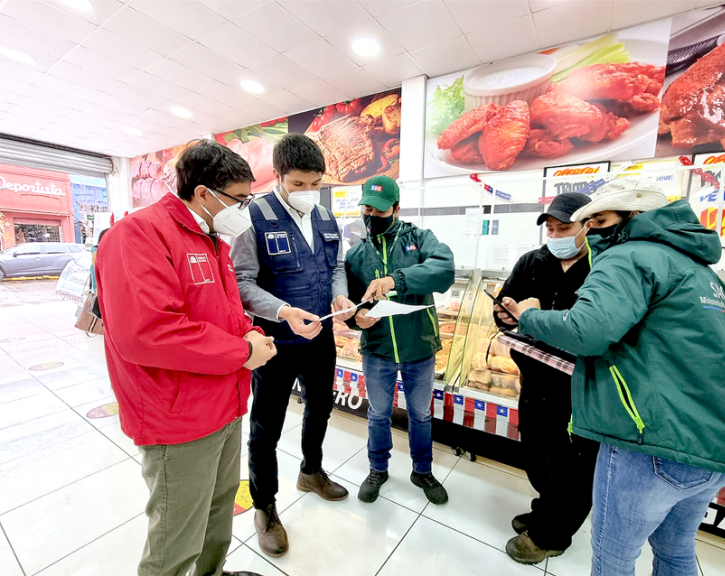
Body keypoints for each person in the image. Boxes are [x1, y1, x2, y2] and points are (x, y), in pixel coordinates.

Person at [503, 177, 725, 576]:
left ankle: (551, 532)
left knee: (613, 560)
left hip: (652, 439)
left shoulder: (629, 256)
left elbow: (586, 331)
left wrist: (528, 317)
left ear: (637, 217)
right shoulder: (698, 266)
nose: (592, 230)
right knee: (676, 551)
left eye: (600, 220)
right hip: (718, 443)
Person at [95, 139, 277, 576]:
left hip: (226, 403)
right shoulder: (139, 235)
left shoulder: (214, 240)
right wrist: (241, 352)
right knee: (176, 532)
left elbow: (226, 313)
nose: (245, 208)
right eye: (239, 199)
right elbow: (149, 331)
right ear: (203, 194)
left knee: (217, 511)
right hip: (177, 416)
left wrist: (251, 333)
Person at [230, 134, 355, 558]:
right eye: (298, 184)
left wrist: (339, 295)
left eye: (315, 183)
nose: (307, 192)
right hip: (275, 343)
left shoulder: (324, 216)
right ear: (279, 176)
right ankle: (265, 506)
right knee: (266, 426)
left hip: (320, 336)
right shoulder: (253, 217)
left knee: (320, 406)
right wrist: (284, 312)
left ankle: (312, 471)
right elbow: (242, 283)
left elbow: (335, 264)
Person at [494, 192, 601, 564]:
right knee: (538, 453)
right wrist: (506, 313)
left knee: (573, 463)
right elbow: (505, 302)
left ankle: (553, 534)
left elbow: (593, 328)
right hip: (534, 376)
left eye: (564, 227)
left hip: (581, 385)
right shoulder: (532, 262)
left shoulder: (602, 266)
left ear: (588, 226)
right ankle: (547, 510)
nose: (555, 234)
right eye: (550, 228)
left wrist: (536, 316)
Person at [344, 175, 455, 505]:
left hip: (419, 346)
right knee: (378, 414)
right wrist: (355, 318)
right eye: (366, 209)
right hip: (377, 349)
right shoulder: (356, 254)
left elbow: (444, 269)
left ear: (396, 209)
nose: (371, 217)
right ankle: (378, 468)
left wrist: (396, 279)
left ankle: (422, 470)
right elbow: (350, 301)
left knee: (420, 414)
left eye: (380, 211)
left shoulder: (420, 238)